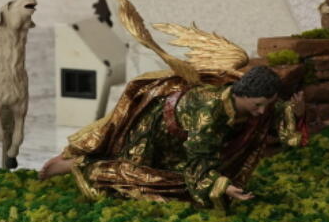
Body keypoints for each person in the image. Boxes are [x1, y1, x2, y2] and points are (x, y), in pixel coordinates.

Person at [39, 66, 303, 209]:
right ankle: (83, 166)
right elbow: (199, 166)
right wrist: (221, 186)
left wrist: (293, 111)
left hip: (179, 139)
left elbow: (275, 113)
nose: (261, 112)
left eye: (265, 105)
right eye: (257, 105)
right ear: (241, 94)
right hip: (152, 132)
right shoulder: (210, 116)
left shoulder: (242, 96)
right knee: (149, 183)